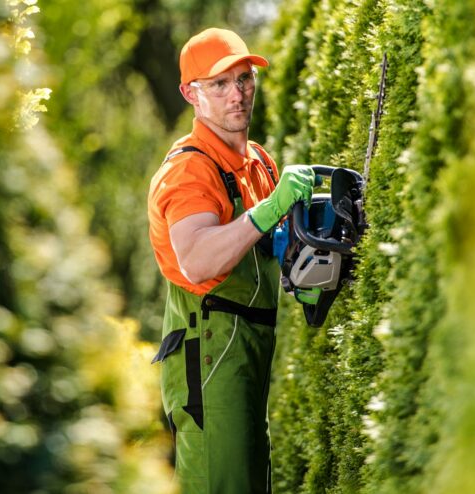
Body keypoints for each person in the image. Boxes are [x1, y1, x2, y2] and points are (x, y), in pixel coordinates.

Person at [147, 27, 315, 493]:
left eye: (243, 79)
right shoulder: (189, 170)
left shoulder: (258, 162)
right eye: (219, 84)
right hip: (210, 353)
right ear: (190, 94)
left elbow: (266, 247)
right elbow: (199, 260)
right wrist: (271, 208)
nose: (237, 94)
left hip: (249, 347)